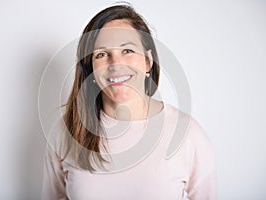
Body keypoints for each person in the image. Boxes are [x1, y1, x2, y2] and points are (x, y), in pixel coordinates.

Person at [42, 4, 216, 200]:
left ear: (148, 61)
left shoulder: (188, 134)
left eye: (127, 50)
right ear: (91, 69)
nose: (116, 64)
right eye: (101, 54)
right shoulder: (66, 133)